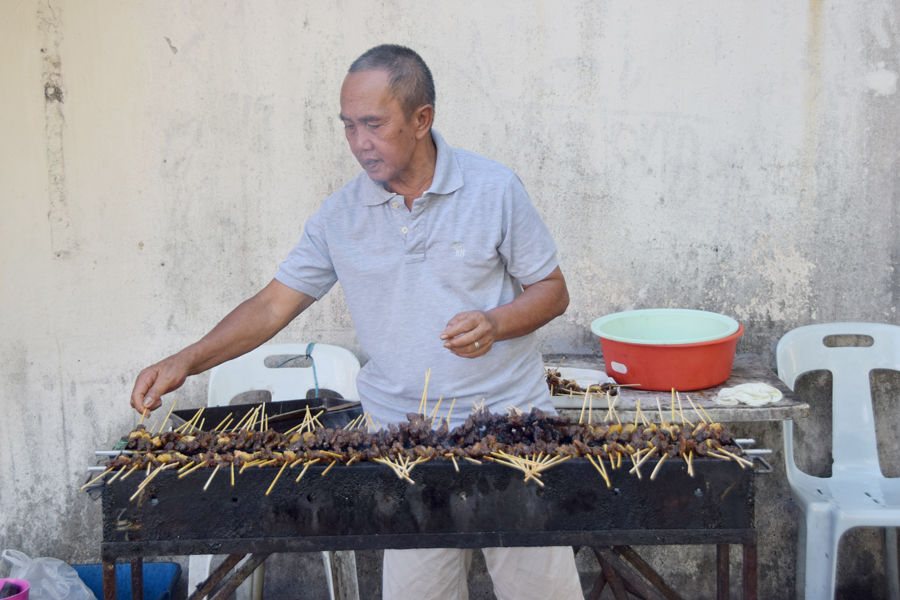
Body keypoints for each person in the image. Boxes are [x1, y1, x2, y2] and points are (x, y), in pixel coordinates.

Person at [131, 44, 581, 600]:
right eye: (348, 126)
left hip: (514, 431)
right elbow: (273, 305)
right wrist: (185, 360)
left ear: (422, 120)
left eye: (374, 124)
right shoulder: (339, 216)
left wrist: (496, 321)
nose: (359, 143)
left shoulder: (495, 189)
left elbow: (552, 292)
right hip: (404, 442)